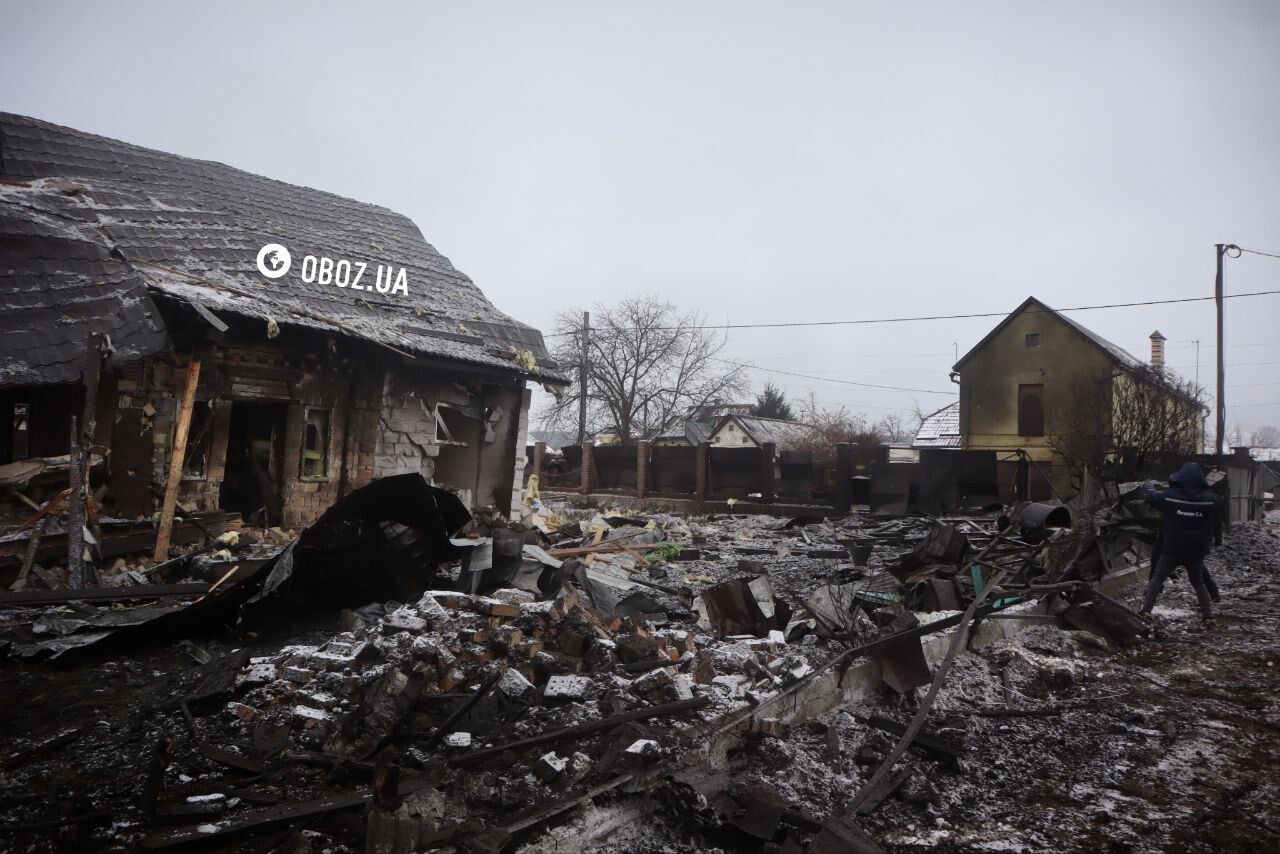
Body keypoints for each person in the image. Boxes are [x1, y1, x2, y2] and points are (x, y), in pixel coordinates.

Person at [1139, 462, 1219, 626]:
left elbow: (1151, 496)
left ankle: (1146, 610)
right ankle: (1208, 615)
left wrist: (1147, 485)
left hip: (1173, 549)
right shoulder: (1209, 500)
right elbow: (1217, 502)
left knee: (1158, 578)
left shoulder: (1170, 497)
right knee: (1198, 583)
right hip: (1195, 550)